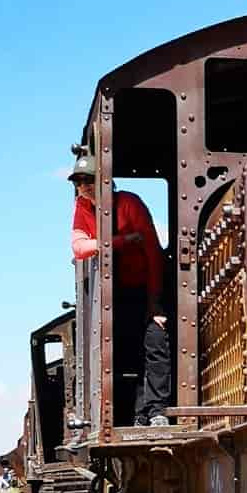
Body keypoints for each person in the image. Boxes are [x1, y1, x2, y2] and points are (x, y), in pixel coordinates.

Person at [70, 154, 172, 426]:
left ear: (104, 179)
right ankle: (140, 414)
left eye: (89, 180)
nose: (84, 187)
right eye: (80, 182)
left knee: (155, 343)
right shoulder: (82, 208)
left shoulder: (129, 203)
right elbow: (79, 248)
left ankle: (158, 410)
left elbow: (151, 252)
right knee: (130, 353)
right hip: (116, 294)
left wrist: (155, 302)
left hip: (145, 287)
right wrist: (123, 240)